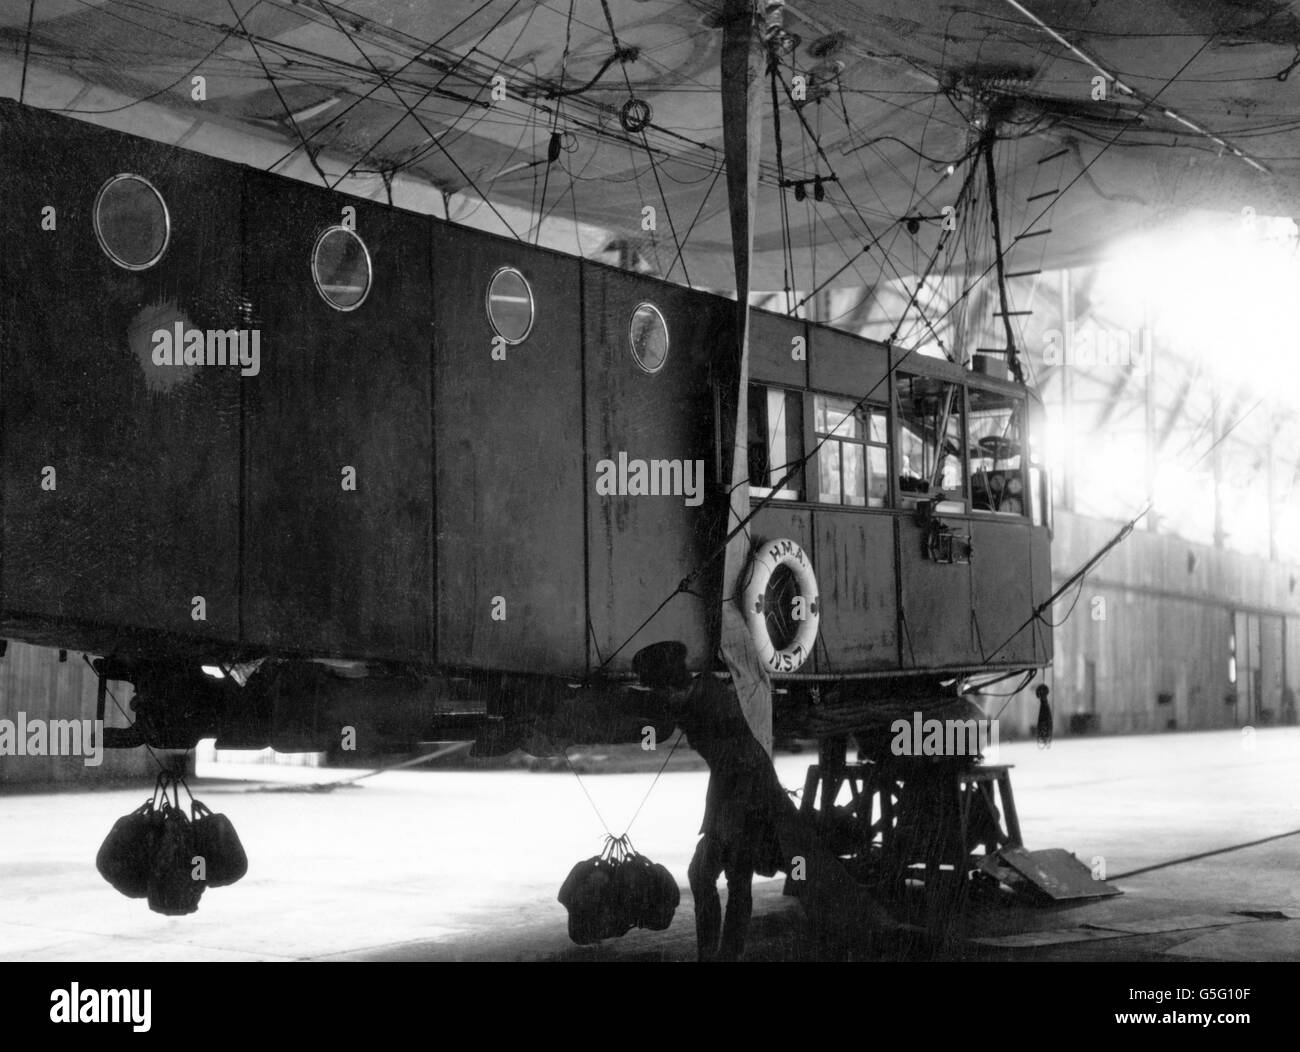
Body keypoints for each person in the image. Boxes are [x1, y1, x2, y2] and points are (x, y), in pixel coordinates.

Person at [673, 673, 787, 961]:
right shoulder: (722, 725)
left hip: (741, 816)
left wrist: (728, 827)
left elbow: (741, 770)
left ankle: (720, 954)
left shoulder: (727, 731)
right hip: (731, 813)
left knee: (716, 879)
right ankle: (718, 954)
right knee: (719, 880)